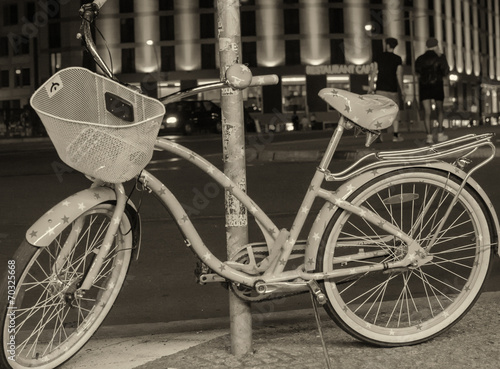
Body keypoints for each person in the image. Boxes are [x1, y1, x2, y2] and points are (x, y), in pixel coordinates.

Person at [415, 38, 450, 144]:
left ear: (426, 46)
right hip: (437, 85)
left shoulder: (420, 58)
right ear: (436, 46)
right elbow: (446, 71)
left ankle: (429, 136)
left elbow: (417, 71)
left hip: (424, 86)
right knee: (439, 110)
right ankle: (440, 134)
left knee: (427, 112)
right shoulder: (440, 57)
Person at [371, 37, 405, 142]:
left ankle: (378, 135)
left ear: (387, 45)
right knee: (394, 111)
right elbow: (399, 75)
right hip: (392, 89)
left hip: (380, 88)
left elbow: (374, 71)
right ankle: (395, 135)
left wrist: (371, 84)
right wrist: (402, 90)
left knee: (380, 111)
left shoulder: (379, 56)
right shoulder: (397, 58)